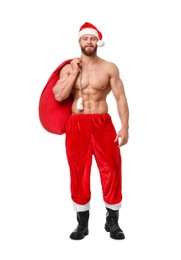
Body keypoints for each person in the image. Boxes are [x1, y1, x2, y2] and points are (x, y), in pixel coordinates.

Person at [52, 22, 129, 240]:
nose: (89, 42)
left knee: (112, 169)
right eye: (85, 39)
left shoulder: (109, 67)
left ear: (98, 42)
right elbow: (59, 95)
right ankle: (82, 224)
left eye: (92, 39)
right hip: (77, 125)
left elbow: (120, 97)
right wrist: (75, 71)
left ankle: (113, 221)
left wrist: (125, 126)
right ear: (79, 41)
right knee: (78, 171)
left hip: (102, 123)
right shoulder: (69, 67)